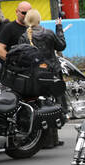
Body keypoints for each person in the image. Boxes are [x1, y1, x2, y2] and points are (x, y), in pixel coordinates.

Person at [18, 9, 66, 148]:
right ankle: (53, 139)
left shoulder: (24, 36)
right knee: (53, 105)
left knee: (40, 104)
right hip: (51, 73)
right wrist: (59, 28)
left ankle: (43, 139)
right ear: (39, 19)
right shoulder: (49, 33)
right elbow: (61, 45)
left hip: (34, 75)